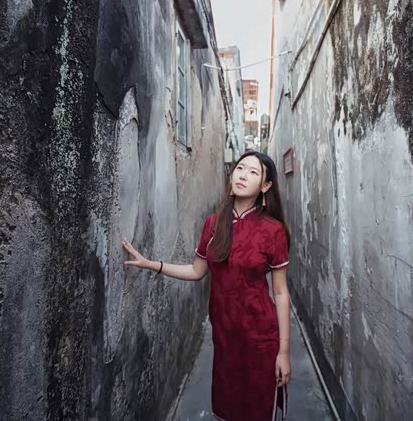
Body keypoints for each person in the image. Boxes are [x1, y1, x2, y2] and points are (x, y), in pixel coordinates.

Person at [122, 150, 292, 421]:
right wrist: (152, 264)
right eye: (240, 168)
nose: (243, 175)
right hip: (224, 336)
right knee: (228, 409)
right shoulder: (214, 224)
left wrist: (283, 351)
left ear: (265, 185)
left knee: (257, 410)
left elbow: (281, 293)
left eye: (253, 172)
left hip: (260, 337)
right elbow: (196, 270)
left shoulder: (273, 230)